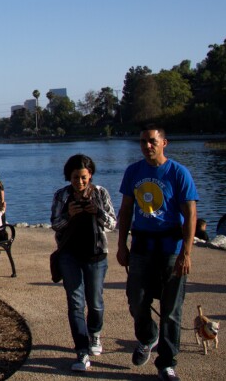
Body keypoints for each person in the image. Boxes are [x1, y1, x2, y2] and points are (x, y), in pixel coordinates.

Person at [117, 125, 198, 381]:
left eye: (152, 141)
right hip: (141, 247)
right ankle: (147, 337)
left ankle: (167, 362)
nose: (147, 146)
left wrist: (186, 252)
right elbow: (126, 210)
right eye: (142, 142)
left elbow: (191, 214)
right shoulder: (133, 172)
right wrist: (121, 244)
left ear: (164, 143)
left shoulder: (178, 173)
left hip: (170, 248)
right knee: (136, 300)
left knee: (171, 309)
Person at [50, 154, 117, 372]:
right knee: (76, 303)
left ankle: (95, 333)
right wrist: (69, 215)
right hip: (70, 256)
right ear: (69, 177)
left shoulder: (100, 193)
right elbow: (55, 224)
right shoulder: (62, 196)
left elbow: (112, 223)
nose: (80, 182)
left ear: (90, 176)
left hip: (96, 255)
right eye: (75, 177)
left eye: (84, 177)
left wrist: (97, 212)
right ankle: (81, 350)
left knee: (95, 302)